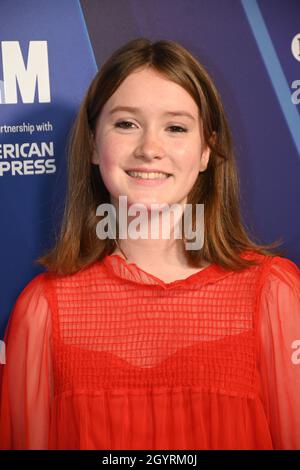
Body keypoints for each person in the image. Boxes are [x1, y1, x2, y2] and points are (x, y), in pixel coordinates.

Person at [0, 37, 299, 450]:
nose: (149, 149)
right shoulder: (43, 312)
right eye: (126, 124)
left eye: (175, 127)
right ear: (92, 144)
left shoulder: (272, 295)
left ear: (206, 151)